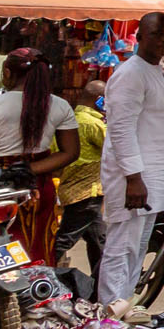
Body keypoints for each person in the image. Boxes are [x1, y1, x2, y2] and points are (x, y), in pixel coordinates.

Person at [0, 49, 80, 264]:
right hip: (36, 184)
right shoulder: (60, 106)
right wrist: (28, 170)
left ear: (7, 72)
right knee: (35, 244)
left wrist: (0, 174)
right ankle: (36, 288)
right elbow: (70, 152)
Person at [98, 12, 164, 312]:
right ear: (140, 36)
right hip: (134, 179)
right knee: (122, 248)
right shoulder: (131, 73)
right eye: (158, 34)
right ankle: (108, 315)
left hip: (150, 179)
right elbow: (120, 128)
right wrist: (133, 177)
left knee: (137, 248)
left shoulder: (154, 71)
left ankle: (123, 310)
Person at [55, 81, 109, 270]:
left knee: (99, 240)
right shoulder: (93, 124)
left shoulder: (69, 120)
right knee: (64, 240)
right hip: (86, 192)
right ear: (99, 100)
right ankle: (41, 274)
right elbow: (115, 151)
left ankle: (100, 285)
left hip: (73, 189)